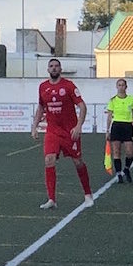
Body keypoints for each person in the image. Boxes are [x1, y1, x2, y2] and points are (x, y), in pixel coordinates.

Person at [30, 58, 94, 210]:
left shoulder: (68, 86)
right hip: (52, 131)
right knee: (49, 160)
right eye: (51, 66)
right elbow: (41, 108)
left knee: (78, 162)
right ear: (48, 70)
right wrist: (34, 126)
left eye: (56, 66)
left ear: (60, 69)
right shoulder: (43, 87)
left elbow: (82, 106)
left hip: (69, 131)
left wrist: (78, 126)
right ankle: (51, 199)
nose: (54, 68)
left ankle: (88, 194)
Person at [105, 78, 133, 183]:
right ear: (116, 87)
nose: (121, 87)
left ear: (126, 87)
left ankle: (127, 169)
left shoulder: (131, 99)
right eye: (119, 85)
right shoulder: (113, 100)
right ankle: (119, 174)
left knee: (129, 152)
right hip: (116, 126)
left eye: (123, 85)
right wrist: (107, 130)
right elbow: (109, 116)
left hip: (127, 126)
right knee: (116, 151)